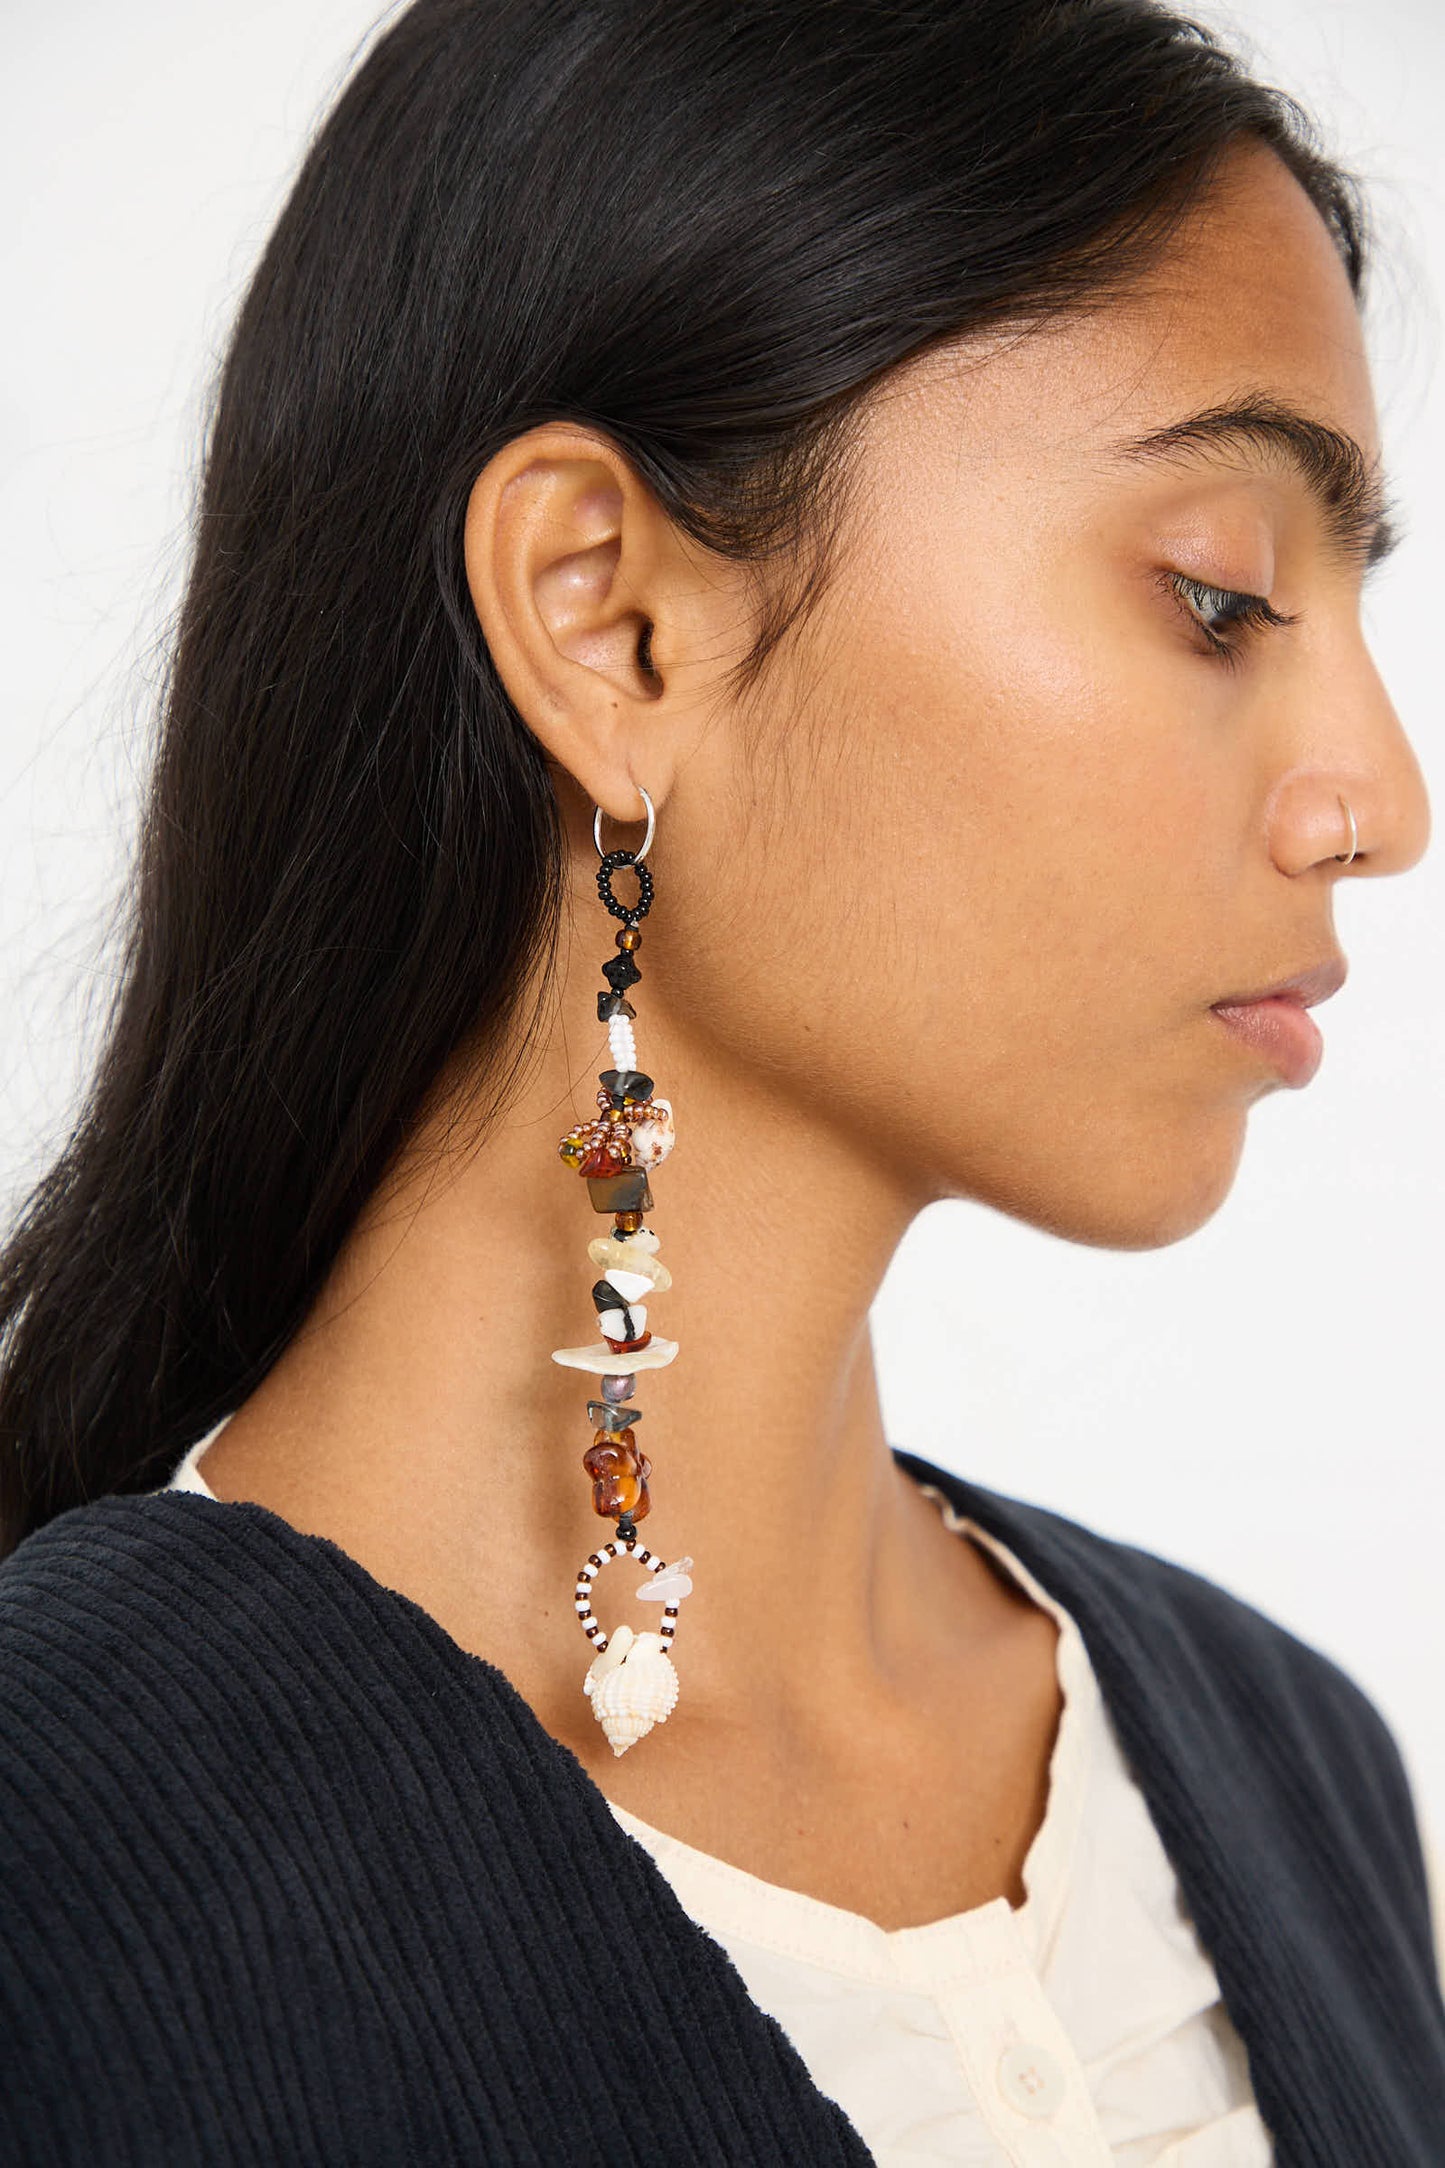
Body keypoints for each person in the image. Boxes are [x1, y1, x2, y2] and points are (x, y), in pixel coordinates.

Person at [0, 0, 1440, 2160]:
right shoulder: (59, 1857)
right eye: (1221, 594)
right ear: (610, 618)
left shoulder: (1292, 1770)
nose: (1380, 796)